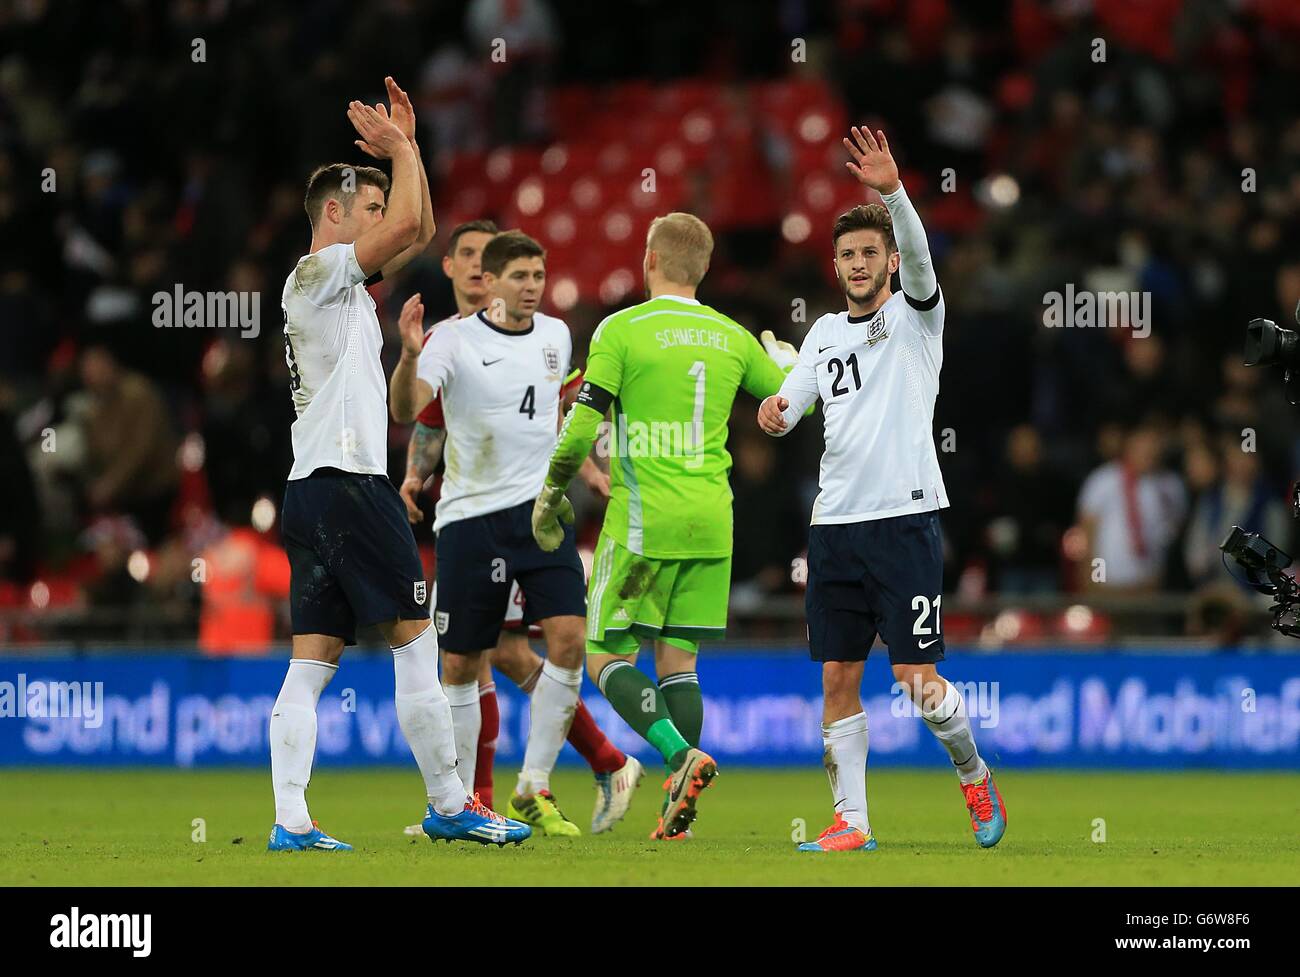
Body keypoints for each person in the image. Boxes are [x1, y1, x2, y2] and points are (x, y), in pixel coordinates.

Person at [270, 77, 528, 852]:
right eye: (369, 209)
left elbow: (422, 228)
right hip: (349, 485)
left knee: (311, 662)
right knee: (419, 637)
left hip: (309, 492)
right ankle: (450, 801)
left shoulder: (335, 289)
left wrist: (408, 153)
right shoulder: (318, 275)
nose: (383, 221)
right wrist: (407, 149)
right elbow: (414, 223)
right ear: (336, 215)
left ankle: (291, 822)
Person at [757, 127, 1005, 852]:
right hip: (834, 527)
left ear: (890, 262)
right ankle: (852, 824)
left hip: (905, 521)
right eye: (848, 255)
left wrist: (893, 192)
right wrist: (774, 414)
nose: (859, 263)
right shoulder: (824, 334)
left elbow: (926, 261)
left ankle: (973, 770)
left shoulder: (915, 320)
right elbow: (787, 408)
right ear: (835, 267)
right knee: (837, 675)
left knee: (916, 678)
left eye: (871, 253)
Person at [531, 212, 798, 839]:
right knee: (679, 663)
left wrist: (552, 489)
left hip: (646, 523)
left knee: (604, 655)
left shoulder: (621, 330)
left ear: (649, 258)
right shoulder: (731, 335)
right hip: (713, 521)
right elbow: (785, 405)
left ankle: (680, 758)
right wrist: (785, 363)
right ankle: (682, 813)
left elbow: (579, 425)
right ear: (703, 268)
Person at [397, 219, 641, 831]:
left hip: (541, 514)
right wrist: (406, 355)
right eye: (521, 276)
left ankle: (531, 782)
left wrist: (590, 467)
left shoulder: (556, 337)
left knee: (567, 641)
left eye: (539, 275)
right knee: (463, 663)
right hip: (470, 523)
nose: (533, 286)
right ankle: (456, 804)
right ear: (488, 280)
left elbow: (562, 411)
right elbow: (411, 412)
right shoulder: (449, 341)